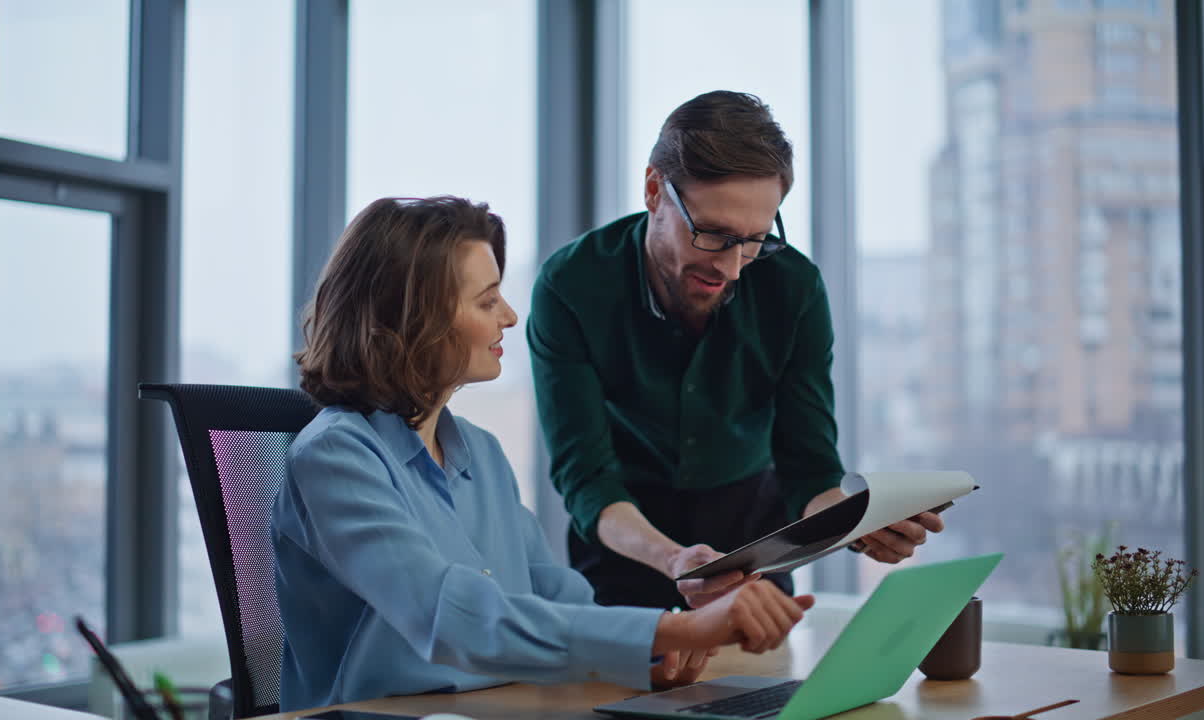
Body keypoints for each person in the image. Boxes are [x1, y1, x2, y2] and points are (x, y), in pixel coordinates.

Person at [271, 195, 816, 710]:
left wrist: (657, 651)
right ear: (409, 320)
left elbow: (560, 598)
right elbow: (451, 617)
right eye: (487, 301)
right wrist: (679, 630)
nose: (509, 316)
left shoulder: (480, 455)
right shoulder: (336, 458)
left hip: (497, 709)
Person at [527, 91, 944, 612]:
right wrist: (676, 560)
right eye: (713, 235)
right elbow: (587, 480)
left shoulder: (794, 287)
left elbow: (809, 468)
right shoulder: (571, 286)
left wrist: (858, 524)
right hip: (627, 546)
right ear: (655, 189)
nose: (731, 268)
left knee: (763, 693)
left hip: (755, 546)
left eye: (754, 240)